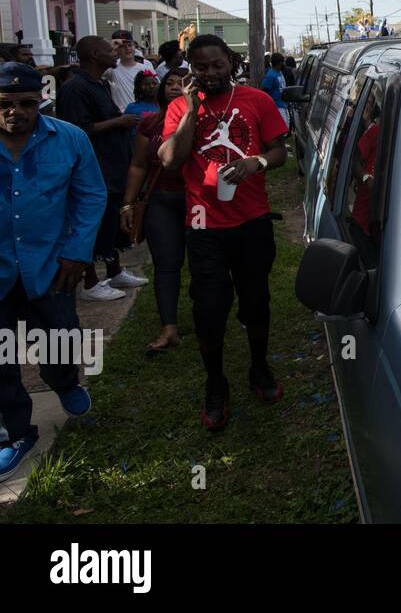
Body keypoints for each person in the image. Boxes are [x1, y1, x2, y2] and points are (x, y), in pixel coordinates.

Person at [159, 35, 290, 429]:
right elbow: (170, 160)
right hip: (203, 225)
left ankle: (259, 368)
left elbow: (279, 150)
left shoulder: (256, 100)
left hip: (251, 220)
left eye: (217, 65)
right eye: (201, 67)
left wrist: (257, 163)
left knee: (256, 303)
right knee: (209, 311)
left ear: (230, 63)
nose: (210, 73)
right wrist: (191, 112)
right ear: (190, 69)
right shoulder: (181, 106)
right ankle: (215, 384)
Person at [0, 62, 105, 478]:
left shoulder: (70, 139)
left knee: (60, 337)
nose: (16, 112)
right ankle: (17, 432)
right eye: (5, 104)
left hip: (53, 265)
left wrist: (77, 252)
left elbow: (91, 195)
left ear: (40, 101)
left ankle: (64, 383)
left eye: (26, 102)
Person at [56, 36, 147, 299]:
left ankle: (114, 270)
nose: (115, 52)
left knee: (113, 224)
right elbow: (78, 129)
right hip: (95, 168)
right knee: (96, 224)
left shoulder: (102, 84)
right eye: (110, 49)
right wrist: (119, 123)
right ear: (95, 55)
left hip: (114, 165)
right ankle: (90, 282)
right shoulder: (75, 88)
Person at [121, 68, 190, 354]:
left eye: (181, 83)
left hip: (198, 201)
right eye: (169, 83)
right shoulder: (150, 124)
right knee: (166, 263)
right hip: (161, 200)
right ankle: (169, 327)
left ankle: (211, 316)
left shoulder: (207, 120)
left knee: (206, 264)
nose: (174, 87)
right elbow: (138, 165)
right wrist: (127, 202)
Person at [106, 30, 151, 112]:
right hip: (122, 116)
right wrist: (111, 46)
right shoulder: (111, 68)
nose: (127, 49)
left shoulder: (145, 68)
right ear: (116, 49)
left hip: (142, 114)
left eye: (130, 45)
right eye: (122, 46)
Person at [261, 53, 290, 129]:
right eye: (283, 62)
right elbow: (263, 90)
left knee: (285, 127)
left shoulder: (279, 72)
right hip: (276, 106)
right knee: (281, 128)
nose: (284, 64)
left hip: (283, 104)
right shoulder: (270, 75)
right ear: (279, 63)